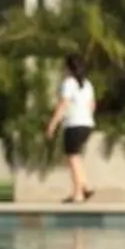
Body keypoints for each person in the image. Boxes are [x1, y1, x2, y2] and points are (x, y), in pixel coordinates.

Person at [45, 53, 97, 205]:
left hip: (73, 124)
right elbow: (92, 105)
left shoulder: (69, 83)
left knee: (72, 158)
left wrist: (52, 125)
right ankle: (85, 186)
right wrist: (87, 117)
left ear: (69, 68)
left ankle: (78, 193)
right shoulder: (88, 84)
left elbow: (63, 105)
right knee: (76, 157)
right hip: (87, 124)